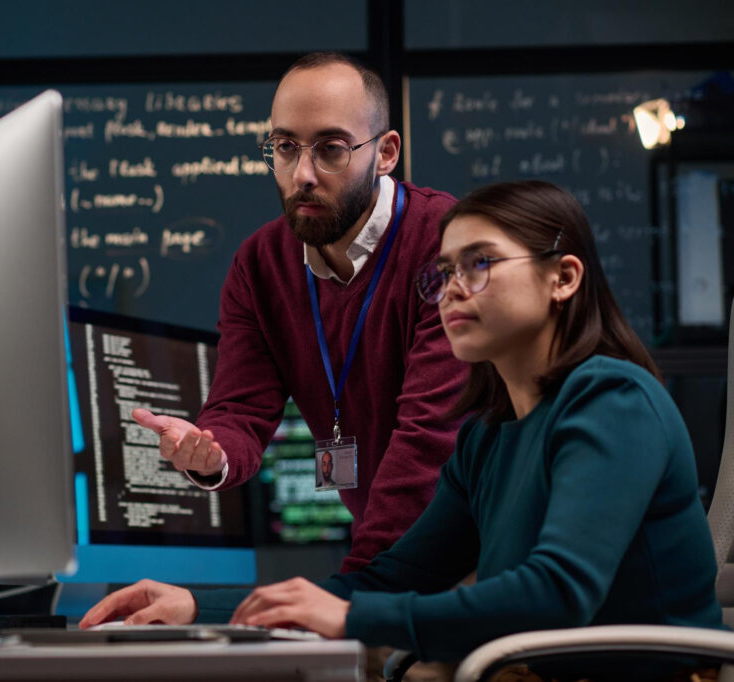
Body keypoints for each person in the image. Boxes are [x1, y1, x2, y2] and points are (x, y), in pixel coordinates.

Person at [81, 180, 724, 665]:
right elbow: (381, 580)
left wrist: (355, 619)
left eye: (479, 264)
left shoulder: (612, 400)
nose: (449, 289)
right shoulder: (487, 437)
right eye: (442, 272)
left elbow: (555, 593)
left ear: (563, 278)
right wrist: (200, 607)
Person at [132, 51, 466, 572]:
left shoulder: (445, 239)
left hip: (482, 549)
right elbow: (240, 408)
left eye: (331, 149)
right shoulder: (259, 264)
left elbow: (430, 440)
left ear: (386, 152)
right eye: (285, 147)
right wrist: (212, 452)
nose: (302, 174)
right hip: (391, 562)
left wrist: (353, 592)